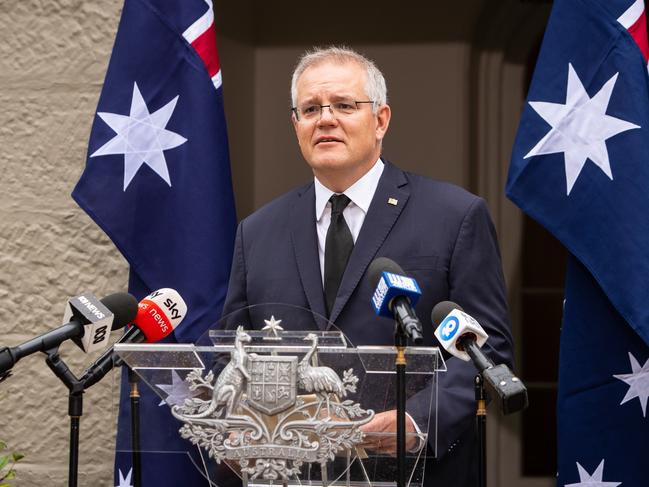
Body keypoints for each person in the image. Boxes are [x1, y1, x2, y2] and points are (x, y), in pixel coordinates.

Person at [222, 46, 513, 486]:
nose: (325, 119)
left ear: (380, 120)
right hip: (291, 473)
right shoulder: (257, 232)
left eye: (344, 105)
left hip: (416, 474)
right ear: (296, 124)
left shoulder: (454, 216)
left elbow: (485, 351)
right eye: (311, 108)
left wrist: (415, 423)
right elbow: (233, 352)